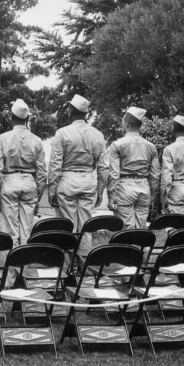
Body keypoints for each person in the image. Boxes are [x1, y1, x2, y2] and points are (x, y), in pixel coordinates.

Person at [48, 94, 110, 254]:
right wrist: (100, 190)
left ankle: (68, 266)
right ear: (86, 113)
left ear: (70, 111)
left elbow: (55, 164)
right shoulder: (98, 134)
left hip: (67, 179)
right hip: (88, 179)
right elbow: (104, 166)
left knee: (67, 226)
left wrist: (52, 189)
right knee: (86, 227)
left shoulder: (62, 133)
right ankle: (82, 265)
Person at [0, 98, 47, 246]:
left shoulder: (3, 138)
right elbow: (42, 172)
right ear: (27, 118)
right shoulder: (37, 140)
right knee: (26, 229)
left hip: (9, 181)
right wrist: (38, 195)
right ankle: (23, 264)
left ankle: (12, 265)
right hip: (29, 182)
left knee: (10, 230)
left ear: (11, 118)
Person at [106, 106, 159, 230]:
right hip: (144, 187)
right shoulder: (150, 146)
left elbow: (114, 173)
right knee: (141, 227)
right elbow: (155, 175)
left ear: (127, 124)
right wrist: (153, 197)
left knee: (127, 229)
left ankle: (131, 249)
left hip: (125, 187)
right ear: (139, 125)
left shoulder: (117, 145)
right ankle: (141, 249)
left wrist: (111, 196)